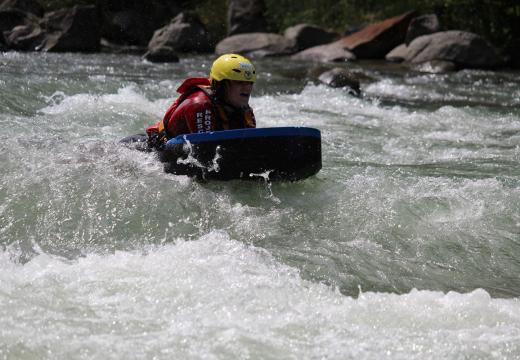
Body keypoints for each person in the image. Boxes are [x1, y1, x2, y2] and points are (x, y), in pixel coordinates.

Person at [146, 53, 257, 150]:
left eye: (250, 82)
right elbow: (206, 153)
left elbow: (248, 146)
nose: (247, 88)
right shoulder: (200, 105)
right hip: (145, 149)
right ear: (221, 85)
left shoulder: (244, 110)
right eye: (239, 82)